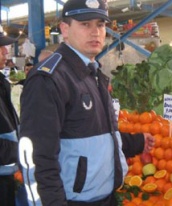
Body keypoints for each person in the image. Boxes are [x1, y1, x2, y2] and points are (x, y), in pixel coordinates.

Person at [18, 0, 155, 205]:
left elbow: (97, 136)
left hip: (105, 198)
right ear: (65, 29)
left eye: (100, 24)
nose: (95, 32)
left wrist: (136, 142)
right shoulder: (49, 80)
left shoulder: (92, 73)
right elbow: (38, 160)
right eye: (85, 24)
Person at [0, 26, 19, 206]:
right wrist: (22, 151)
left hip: (6, 173)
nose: (6, 51)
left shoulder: (2, 83)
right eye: (0, 47)